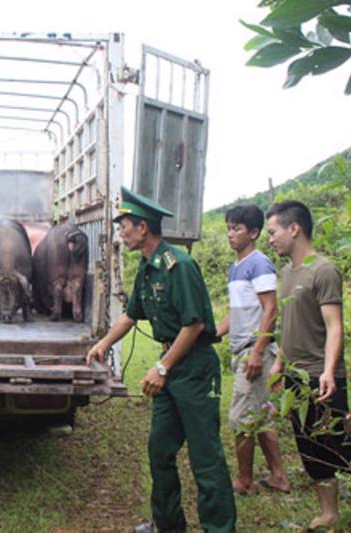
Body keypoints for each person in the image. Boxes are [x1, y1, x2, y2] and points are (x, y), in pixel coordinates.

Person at [88, 187, 236, 533]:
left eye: (124, 226)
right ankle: (168, 525)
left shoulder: (179, 266)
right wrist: (103, 343)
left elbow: (194, 324)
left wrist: (163, 367)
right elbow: (131, 315)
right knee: (160, 450)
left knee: (205, 456)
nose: (121, 233)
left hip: (194, 367)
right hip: (170, 367)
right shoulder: (147, 266)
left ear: (143, 228)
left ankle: (219, 528)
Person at [266, 200, 350, 531]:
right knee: (312, 449)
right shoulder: (287, 273)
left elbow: (334, 326)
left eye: (273, 231)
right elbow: (290, 324)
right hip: (295, 377)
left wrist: (328, 371)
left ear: (294, 228)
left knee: (340, 445)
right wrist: (279, 363)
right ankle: (329, 513)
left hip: (323, 377)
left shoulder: (323, 270)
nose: (270, 239)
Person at [215, 204, 290, 495]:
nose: (230, 234)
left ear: (254, 233)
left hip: (253, 351)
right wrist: (209, 335)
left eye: (237, 229)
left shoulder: (259, 264)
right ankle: (278, 476)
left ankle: (244, 481)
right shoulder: (237, 268)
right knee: (260, 416)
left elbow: (271, 310)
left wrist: (258, 352)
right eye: (228, 228)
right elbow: (237, 313)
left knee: (241, 419)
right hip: (243, 350)